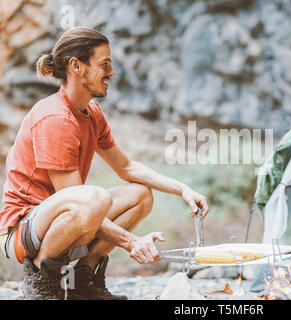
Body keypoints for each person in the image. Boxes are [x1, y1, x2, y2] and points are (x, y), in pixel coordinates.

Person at [0, 27, 209, 300]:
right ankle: (41, 280)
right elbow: (76, 199)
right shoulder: (55, 118)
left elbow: (127, 168)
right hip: (23, 230)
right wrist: (132, 242)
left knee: (140, 195)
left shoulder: (91, 112)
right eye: (104, 65)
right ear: (76, 66)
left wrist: (183, 189)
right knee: (93, 198)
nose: (111, 73)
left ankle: (80, 279)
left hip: (62, 220)